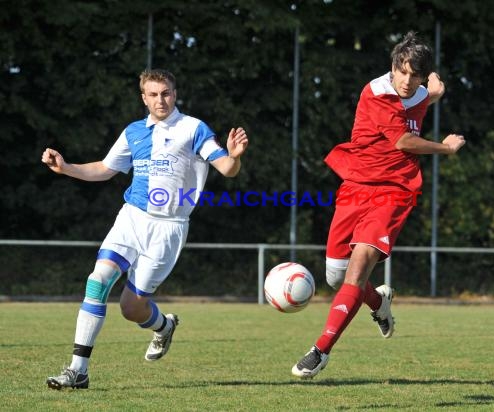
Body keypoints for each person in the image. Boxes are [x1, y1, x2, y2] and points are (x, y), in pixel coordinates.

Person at [42, 69, 248, 389]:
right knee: (97, 281)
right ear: (144, 98)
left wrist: (234, 158)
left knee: (130, 307)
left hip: (169, 228)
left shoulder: (193, 128)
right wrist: (65, 168)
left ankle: (163, 326)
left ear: (174, 94)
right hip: (132, 218)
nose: (160, 100)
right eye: (153, 94)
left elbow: (226, 168)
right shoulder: (134, 132)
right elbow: (104, 169)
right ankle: (77, 370)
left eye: (165, 93)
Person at [291, 32, 465, 379]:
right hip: (356, 186)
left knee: (357, 270)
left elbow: (420, 99)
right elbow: (403, 139)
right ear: (392, 67)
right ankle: (379, 302)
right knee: (336, 276)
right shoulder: (377, 93)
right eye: (401, 71)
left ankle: (321, 350)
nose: (406, 80)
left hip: (394, 192)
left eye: (414, 74)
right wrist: (445, 148)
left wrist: (431, 94)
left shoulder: (415, 92)